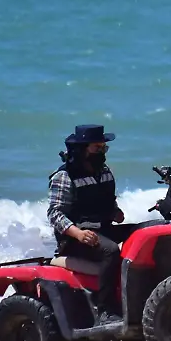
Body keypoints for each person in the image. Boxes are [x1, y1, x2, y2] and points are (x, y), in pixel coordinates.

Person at [47, 124, 129, 321]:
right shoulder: (64, 177)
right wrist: (78, 234)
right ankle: (105, 310)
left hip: (104, 229)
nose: (102, 152)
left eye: (104, 148)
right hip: (76, 239)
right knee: (111, 251)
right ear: (82, 149)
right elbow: (55, 214)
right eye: (97, 148)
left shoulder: (105, 172)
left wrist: (116, 212)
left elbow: (107, 200)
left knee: (145, 231)